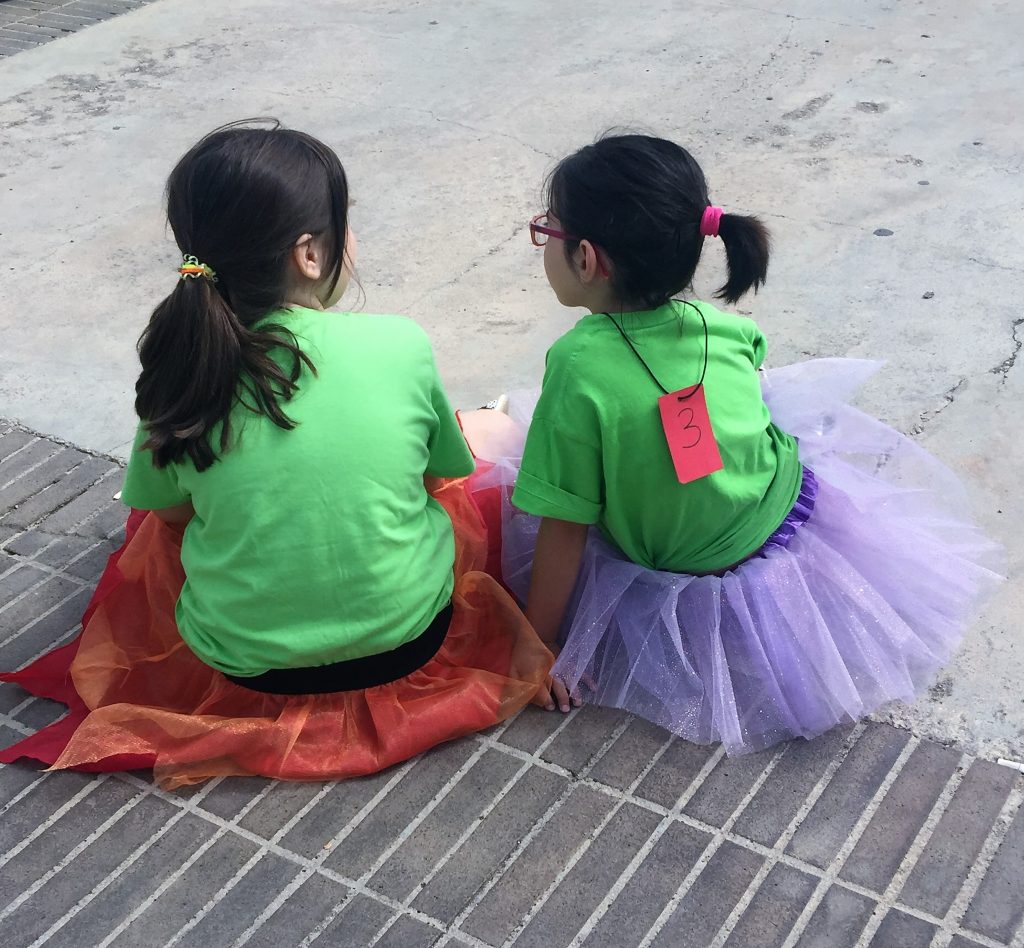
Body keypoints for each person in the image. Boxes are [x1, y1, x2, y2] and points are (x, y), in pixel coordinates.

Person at [0, 122, 551, 789]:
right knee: (464, 463)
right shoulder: (400, 343)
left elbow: (170, 517)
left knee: (158, 524)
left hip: (245, 665)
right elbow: (443, 477)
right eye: (346, 222)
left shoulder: (180, 374)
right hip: (411, 642)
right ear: (309, 255)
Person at [477, 132, 1003, 755]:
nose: (545, 244)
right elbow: (750, 374)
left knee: (542, 466)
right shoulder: (724, 326)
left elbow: (565, 524)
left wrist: (538, 643)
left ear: (587, 258)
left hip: (683, 565)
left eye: (548, 231)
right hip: (786, 519)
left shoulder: (576, 363)